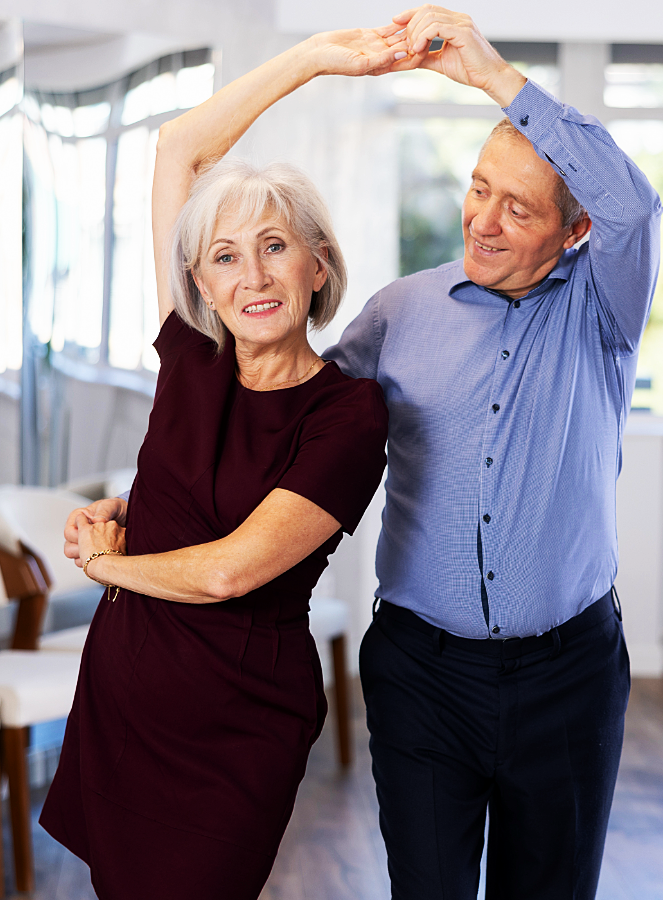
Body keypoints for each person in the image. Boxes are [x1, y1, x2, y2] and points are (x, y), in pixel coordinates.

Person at [41, 29, 401, 900]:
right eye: (226, 257)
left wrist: (106, 561)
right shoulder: (190, 359)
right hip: (128, 689)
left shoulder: (350, 412)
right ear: (200, 283)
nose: (254, 277)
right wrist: (315, 58)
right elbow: (178, 149)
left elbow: (230, 572)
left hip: (241, 718)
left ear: (318, 266)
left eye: (276, 246)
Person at [323, 8, 661, 898]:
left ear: (572, 232)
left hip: (569, 679)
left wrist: (492, 75)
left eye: (519, 208)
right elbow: (293, 428)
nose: (484, 220)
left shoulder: (605, 312)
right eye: (479, 189)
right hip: (422, 676)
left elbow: (634, 203)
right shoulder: (400, 311)